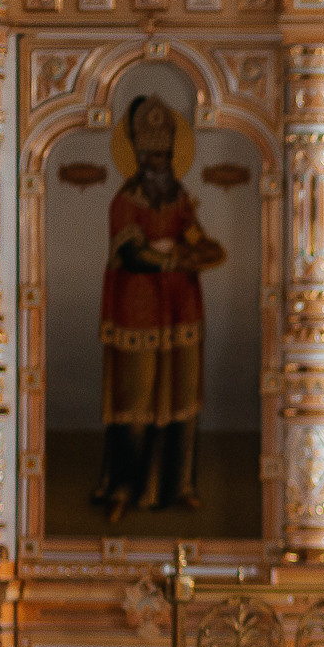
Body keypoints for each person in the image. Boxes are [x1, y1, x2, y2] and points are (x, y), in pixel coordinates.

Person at [94, 96, 225, 525]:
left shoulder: (179, 196)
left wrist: (203, 249)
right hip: (137, 309)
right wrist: (172, 260)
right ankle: (125, 488)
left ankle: (178, 485)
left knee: (181, 399)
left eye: (166, 156)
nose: (162, 164)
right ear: (138, 156)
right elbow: (132, 253)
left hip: (181, 308)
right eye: (154, 156)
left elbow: (194, 234)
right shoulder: (125, 201)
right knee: (136, 403)